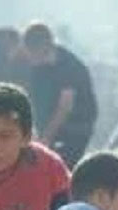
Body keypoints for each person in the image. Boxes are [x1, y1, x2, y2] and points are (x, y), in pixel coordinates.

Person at [23, 22, 98, 169]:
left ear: (44, 47)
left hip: (78, 124)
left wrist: (46, 137)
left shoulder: (70, 66)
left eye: (32, 52)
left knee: (63, 168)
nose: (30, 57)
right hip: (51, 125)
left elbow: (65, 107)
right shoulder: (37, 67)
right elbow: (33, 99)